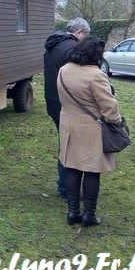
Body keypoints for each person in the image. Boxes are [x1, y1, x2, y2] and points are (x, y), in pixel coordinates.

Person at [57, 36, 121, 226]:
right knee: (92, 171)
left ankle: (73, 212)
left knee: (72, 168)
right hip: (91, 129)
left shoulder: (64, 70)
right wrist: (116, 121)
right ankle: (89, 215)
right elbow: (109, 107)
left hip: (68, 126)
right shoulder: (96, 75)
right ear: (96, 55)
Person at [43, 17, 90, 199]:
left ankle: (65, 186)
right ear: (79, 32)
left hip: (53, 101)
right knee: (70, 147)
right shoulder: (72, 48)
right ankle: (66, 189)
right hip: (67, 105)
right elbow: (79, 78)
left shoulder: (53, 45)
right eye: (85, 36)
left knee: (65, 144)